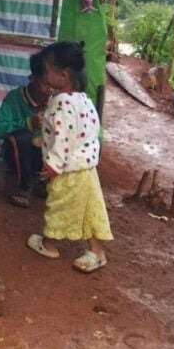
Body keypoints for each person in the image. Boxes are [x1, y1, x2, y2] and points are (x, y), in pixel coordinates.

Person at [26, 41, 113, 273]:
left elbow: (63, 137)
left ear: (63, 74)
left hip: (68, 170)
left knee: (59, 206)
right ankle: (97, 252)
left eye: (47, 71)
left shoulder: (61, 102)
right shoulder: (83, 99)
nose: (44, 76)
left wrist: (52, 165)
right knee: (89, 210)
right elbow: (83, 130)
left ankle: (49, 244)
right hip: (86, 168)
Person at [0, 49, 50, 208]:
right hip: (15, 155)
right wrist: (28, 123)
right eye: (45, 83)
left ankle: (42, 181)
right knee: (22, 137)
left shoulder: (55, 102)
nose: (50, 89)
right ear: (31, 79)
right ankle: (25, 187)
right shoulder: (14, 98)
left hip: (43, 157)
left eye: (52, 84)